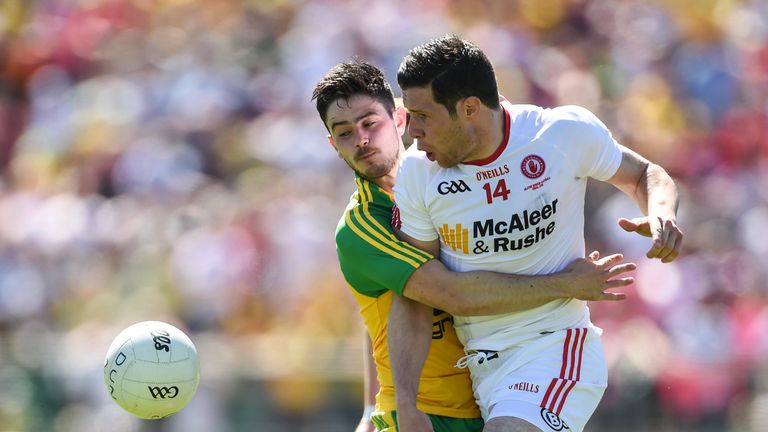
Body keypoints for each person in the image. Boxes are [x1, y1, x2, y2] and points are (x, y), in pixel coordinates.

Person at [311, 60, 638, 432]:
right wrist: (379, 408)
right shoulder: (364, 225)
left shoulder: (452, 175)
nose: (361, 140)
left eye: (370, 124)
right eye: (344, 133)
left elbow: (380, 313)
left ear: (400, 119)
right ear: (332, 145)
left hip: (491, 398)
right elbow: (436, 296)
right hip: (427, 413)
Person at [389, 35, 684, 432]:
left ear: (470, 108)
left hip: (555, 345)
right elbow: (417, 295)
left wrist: (661, 212)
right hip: (475, 368)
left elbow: (644, 175)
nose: (412, 131)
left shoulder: (559, 133)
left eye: (423, 116)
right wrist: (405, 402)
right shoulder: (417, 174)